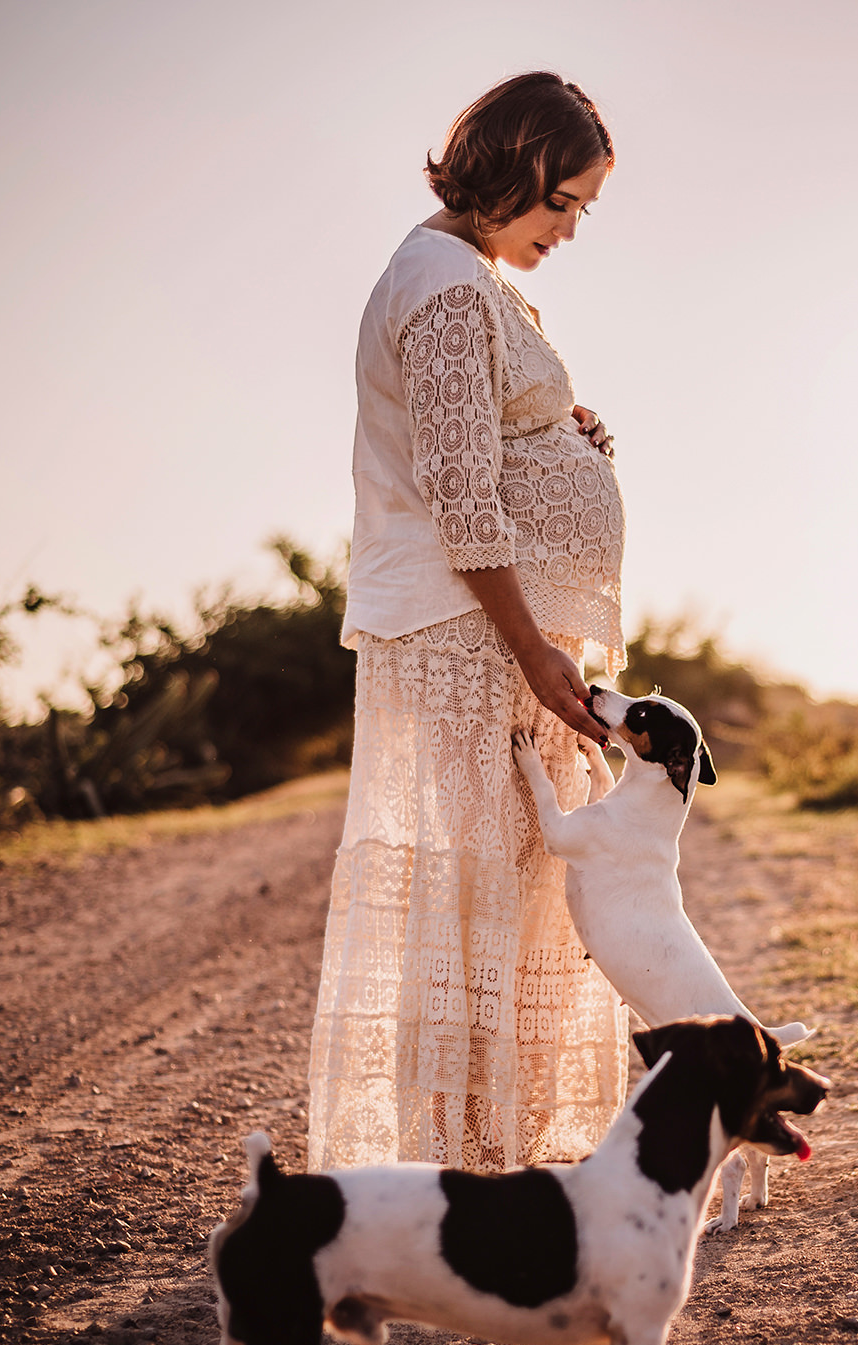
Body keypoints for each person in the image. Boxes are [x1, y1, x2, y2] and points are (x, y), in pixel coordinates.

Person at [309, 73, 631, 1173]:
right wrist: (534, 650)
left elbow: (480, 436)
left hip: (492, 629)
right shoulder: (446, 286)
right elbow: (458, 492)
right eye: (562, 201)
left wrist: (561, 436)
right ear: (514, 168)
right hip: (470, 633)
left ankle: (497, 1145)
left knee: (520, 883)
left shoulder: (466, 277)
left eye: (582, 208)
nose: (569, 229)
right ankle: (462, 1160)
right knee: (476, 893)